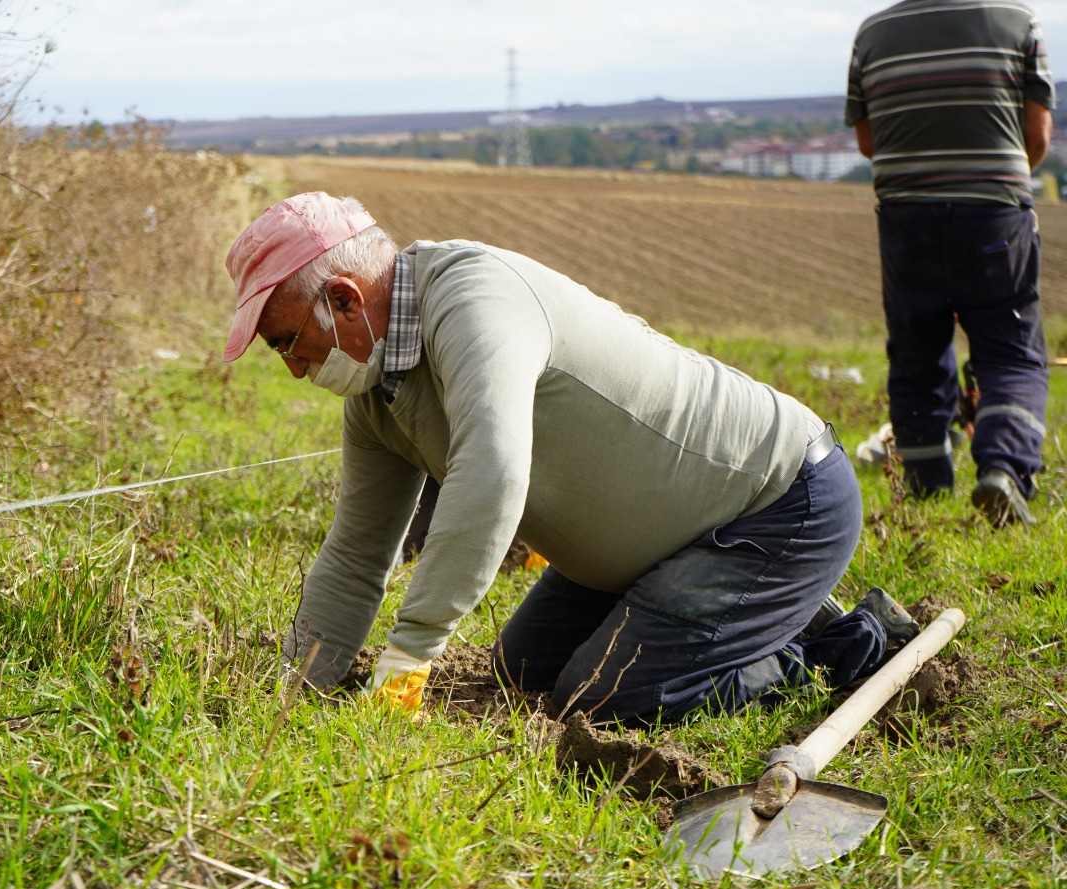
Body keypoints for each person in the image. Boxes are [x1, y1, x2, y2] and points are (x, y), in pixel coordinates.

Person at [222, 191, 919, 726]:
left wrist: (410, 655)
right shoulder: (377, 399)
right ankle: (752, 615)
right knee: (522, 667)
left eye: (286, 340)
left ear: (344, 298)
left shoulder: (473, 298)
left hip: (774, 506)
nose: (291, 367)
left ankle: (848, 645)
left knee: (606, 696)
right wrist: (300, 686)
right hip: (652, 544)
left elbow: (491, 475)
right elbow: (355, 553)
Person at [847, 0, 1055, 526]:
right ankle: (1004, 471)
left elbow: (869, 140)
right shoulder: (1017, 20)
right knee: (1010, 352)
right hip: (993, 221)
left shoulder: (873, 32)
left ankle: (923, 484)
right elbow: (1038, 136)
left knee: (916, 350)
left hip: (905, 220)